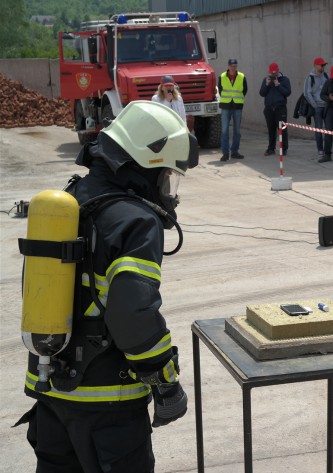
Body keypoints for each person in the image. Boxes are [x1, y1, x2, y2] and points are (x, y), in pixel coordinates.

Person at [17, 100, 198, 472]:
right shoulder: (136, 220)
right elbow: (132, 313)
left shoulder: (72, 199)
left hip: (51, 394)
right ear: (145, 165)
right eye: (166, 174)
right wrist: (165, 381)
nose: (167, 187)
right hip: (107, 408)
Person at [217, 59, 247, 161]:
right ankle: (225, 153)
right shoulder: (222, 77)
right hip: (226, 106)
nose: (233, 68)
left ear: (236, 66)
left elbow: (245, 90)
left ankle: (234, 152)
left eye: (235, 66)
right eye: (231, 66)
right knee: (224, 131)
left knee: (237, 131)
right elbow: (220, 90)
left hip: (237, 106)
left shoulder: (242, 77)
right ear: (228, 66)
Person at [259, 63, 291, 156]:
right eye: (272, 74)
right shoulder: (266, 80)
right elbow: (262, 93)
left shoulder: (285, 80)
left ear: (278, 71)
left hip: (280, 108)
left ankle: (284, 148)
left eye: (275, 74)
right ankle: (271, 148)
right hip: (269, 108)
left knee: (282, 129)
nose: (274, 76)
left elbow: (287, 92)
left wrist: (278, 85)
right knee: (271, 129)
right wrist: (267, 84)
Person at [304, 57, 329, 157]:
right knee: (318, 129)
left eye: (324, 65)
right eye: (321, 65)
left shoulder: (326, 76)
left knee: (328, 129)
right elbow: (307, 93)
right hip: (317, 108)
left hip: (327, 107)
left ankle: (328, 149)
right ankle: (320, 149)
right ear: (315, 66)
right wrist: (314, 105)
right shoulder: (310, 78)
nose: (323, 66)